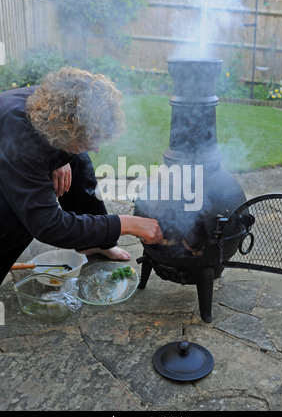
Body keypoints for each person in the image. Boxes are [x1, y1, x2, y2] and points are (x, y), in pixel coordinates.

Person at [0, 66, 163, 284]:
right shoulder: (21, 140)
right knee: (16, 223)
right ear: (62, 131)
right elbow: (48, 226)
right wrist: (125, 224)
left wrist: (60, 159)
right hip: (6, 155)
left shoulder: (55, 102)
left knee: (78, 160)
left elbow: (63, 145)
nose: (96, 149)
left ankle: (92, 243)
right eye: (88, 141)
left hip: (27, 146)